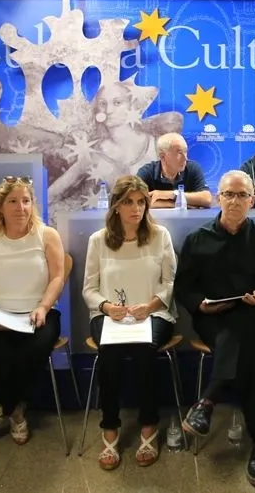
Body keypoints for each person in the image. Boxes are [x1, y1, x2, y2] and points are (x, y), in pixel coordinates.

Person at [175, 170, 255, 487]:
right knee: (244, 349)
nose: (234, 201)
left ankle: (208, 400)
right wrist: (201, 304)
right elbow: (183, 288)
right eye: (228, 194)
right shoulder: (197, 239)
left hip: (254, 315)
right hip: (212, 318)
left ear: (252, 200)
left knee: (242, 329)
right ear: (219, 198)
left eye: (241, 195)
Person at [82, 175, 176, 469]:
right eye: (128, 202)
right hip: (109, 315)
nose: (136, 209)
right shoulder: (98, 241)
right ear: (116, 206)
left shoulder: (160, 236)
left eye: (141, 202)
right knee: (109, 351)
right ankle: (110, 427)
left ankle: (149, 424)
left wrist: (149, 306)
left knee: (145, 350)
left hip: (154, 313)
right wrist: (108, 307)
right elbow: (89, 289)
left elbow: (169, 282)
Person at [0, 176, 66, 445]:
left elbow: (58, 277)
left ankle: (6, 403)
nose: (20, 207)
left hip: (38, 312)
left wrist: (43, 307)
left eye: (26, 201)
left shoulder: (47, 235)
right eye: (13, 201)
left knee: (33, 348)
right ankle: (17, 409)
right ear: (0, 207)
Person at [136, 132, 212, 208]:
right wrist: (175, 204)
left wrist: (173, 195)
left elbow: (207, 199)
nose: (185, 158)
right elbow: (136, 201)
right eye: (179, 152)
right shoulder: (147, 172)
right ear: (162, 156)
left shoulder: (193, 168)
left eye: (185, 152)